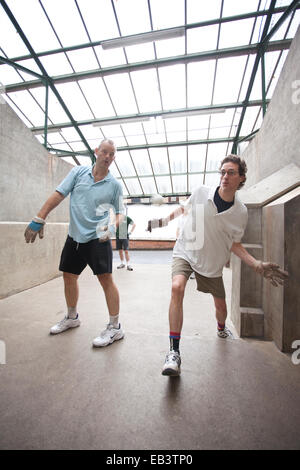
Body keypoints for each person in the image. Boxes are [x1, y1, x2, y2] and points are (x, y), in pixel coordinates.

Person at [147, 155, 289, 376]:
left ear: (241, 178)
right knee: (177, 288)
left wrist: (256, 264)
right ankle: (174, 352)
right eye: (222, 172)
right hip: (186, 250)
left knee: (221, 309)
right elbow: (183, 210)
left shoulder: (240, 213)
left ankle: (221, 329)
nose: (225, 176)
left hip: (211, 265)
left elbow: (235, 243)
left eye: (231, 172)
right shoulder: (201, 192)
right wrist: (161, 222)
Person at [24, 139, 125, 348]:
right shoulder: (78, 173)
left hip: (98, 238)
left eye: (111, 154)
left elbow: (120, 213)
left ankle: (115, 328)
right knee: (69, 276)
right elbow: (59, 194)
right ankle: (71, 317)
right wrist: (40, 216)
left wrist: (112, 228)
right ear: (96, 152)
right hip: (74, 236)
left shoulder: (114, 185)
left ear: (113, 158)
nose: (107, 157)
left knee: (106, 280)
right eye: (104, 152)